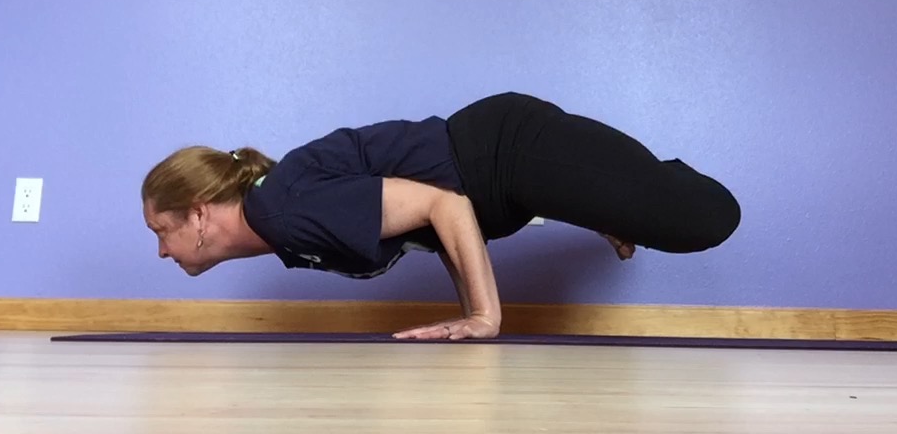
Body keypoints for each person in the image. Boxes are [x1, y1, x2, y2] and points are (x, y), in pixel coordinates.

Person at [141, 91, 741, 340]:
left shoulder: (283, 211)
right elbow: (440, 222)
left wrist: (484, 316)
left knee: (707, 219)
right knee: (658, 211)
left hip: (513, 149)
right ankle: (626, 191)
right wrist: (594, 206)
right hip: (514, 179)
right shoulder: (282, 223)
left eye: (162, 232)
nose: (163, 250)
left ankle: (654, 179)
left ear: (198, 214)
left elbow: (445, 202)